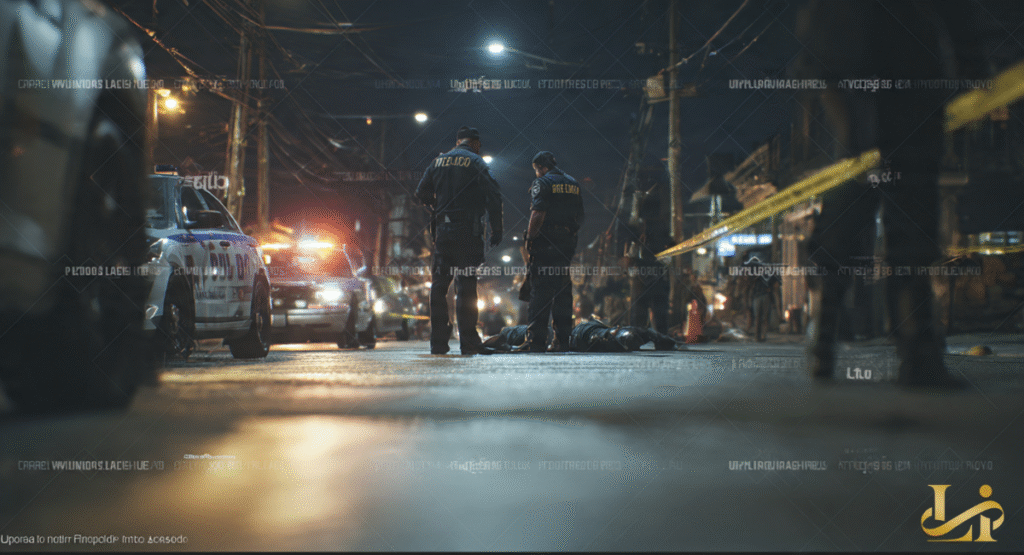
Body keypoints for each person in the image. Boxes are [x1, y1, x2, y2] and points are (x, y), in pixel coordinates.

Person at [793, 1, 984, 387]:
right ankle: (837, 340)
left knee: (897, 225)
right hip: (876, 86)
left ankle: (911, 350)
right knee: (859, 221)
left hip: (903, 88)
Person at [415, 126, 503, 355]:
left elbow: (420, 193)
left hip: (443, 233)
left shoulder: (438, 162)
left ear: (458, 141)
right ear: (474, 143)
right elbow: (494, 195)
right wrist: (497, 229)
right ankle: (469, 342)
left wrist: (437, 207)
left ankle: (438, 342)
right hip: (468, 233)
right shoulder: (476, 162)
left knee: (439, 287)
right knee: (466, 287)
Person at [516, 151, 584, 352]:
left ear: (540, 167)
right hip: (567, 242)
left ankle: (536, 341)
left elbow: (537, 213)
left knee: (541, 291)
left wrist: (530, 239)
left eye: (536, 170)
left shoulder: (543, 182)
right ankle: (562, 341)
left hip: (546, 242)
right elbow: (580, 216)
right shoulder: (573, 183)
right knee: (563, 290)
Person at [626, 192, 671, 334]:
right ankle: (659, 338)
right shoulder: (645, 227)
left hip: (648, 276)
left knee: (646, 313)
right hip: (651, 276)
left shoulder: (647, 227)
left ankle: (640, 337)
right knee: (655, 313)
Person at [485, 321, 681, 352]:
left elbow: (650, 333)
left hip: (582, 334)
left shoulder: (514, 333)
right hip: (583, 334)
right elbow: (650, 333)